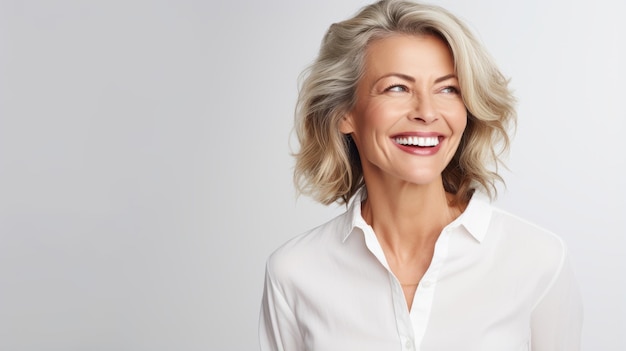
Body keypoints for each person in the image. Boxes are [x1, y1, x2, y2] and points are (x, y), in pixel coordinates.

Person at [259, 0, 583, 350]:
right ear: (344, 113)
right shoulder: (294, 272)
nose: (427, 112)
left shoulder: (538, 260)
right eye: (397, 87)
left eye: (448, 89)